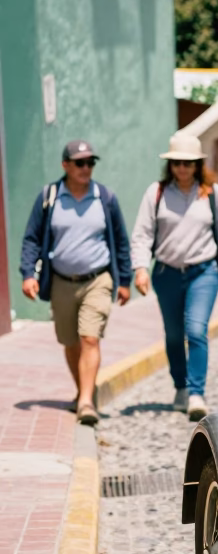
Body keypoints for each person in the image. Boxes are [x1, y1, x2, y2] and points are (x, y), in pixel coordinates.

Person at [131, 132, 218, 421]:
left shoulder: (212, 193)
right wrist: (141, 268)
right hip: (166, 274)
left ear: (198, 165)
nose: (182, 168)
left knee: (196, 331)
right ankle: (180, 387)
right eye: (177, 163)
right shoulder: (156, 193)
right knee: (173, 335)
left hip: (202, 272)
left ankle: (196, 393)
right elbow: (142, 234)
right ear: (170, 165)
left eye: (188, 163)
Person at [19, 139, 132, 425]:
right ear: (65, 165)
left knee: (89, 338)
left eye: (90, 162)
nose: (86, 168)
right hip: (61, 282)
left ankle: (85, 402)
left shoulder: (105, 197)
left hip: (98, 279)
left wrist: (125, 281)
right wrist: (28, 274)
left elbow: (121, 241)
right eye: (80, 163)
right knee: (70, 342)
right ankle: (83, 390)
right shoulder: (50, 196)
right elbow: (32, 238)